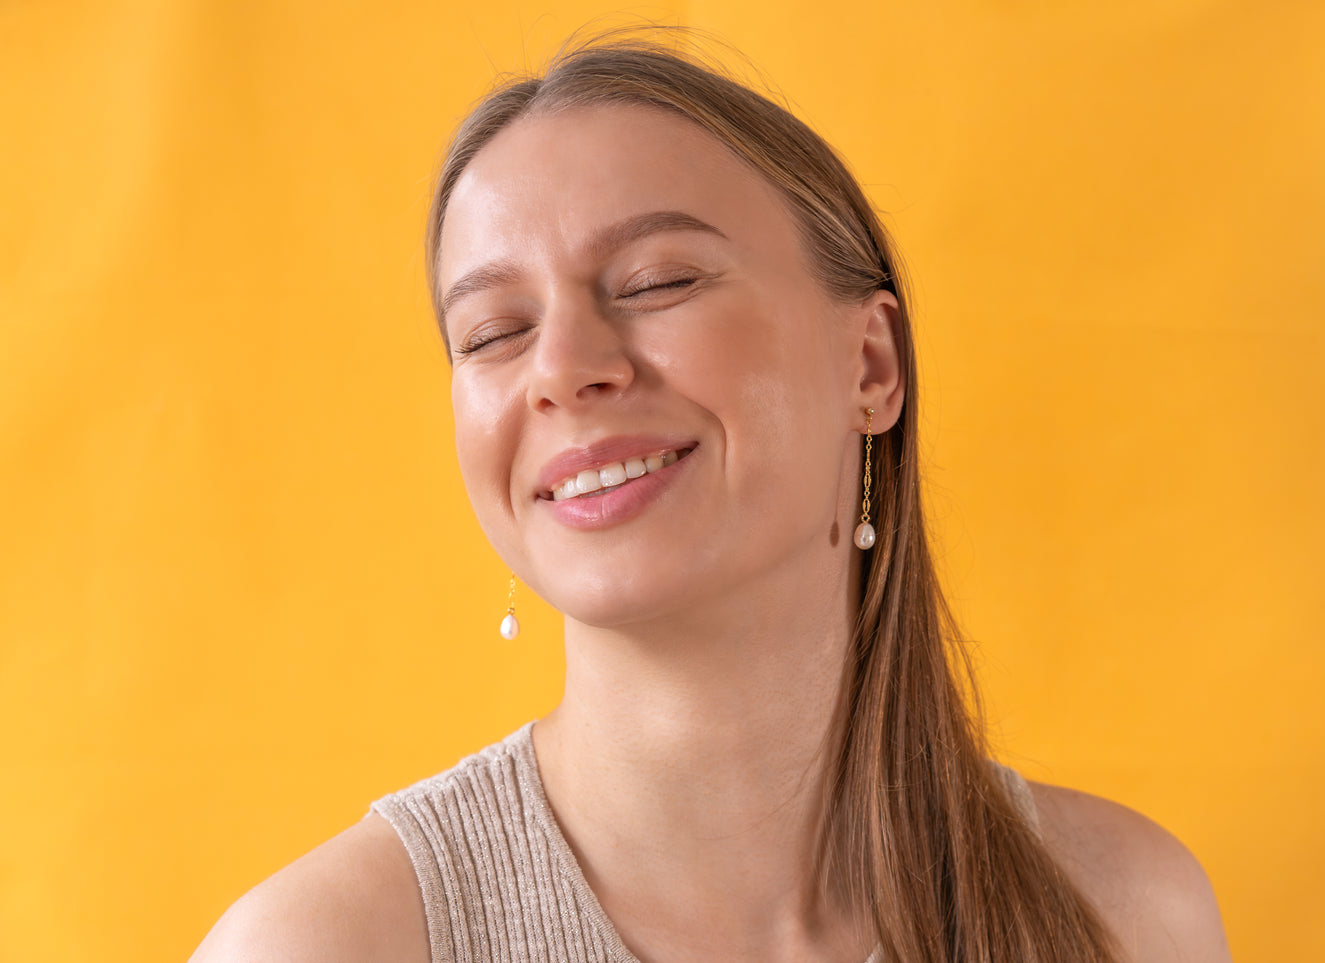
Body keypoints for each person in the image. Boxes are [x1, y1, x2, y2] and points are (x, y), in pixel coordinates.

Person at [191, 34, 1231, 963]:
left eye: (655, 283)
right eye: (492, 333)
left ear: (869, 366)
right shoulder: (318, 948)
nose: (561, 366)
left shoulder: (1121, 919)